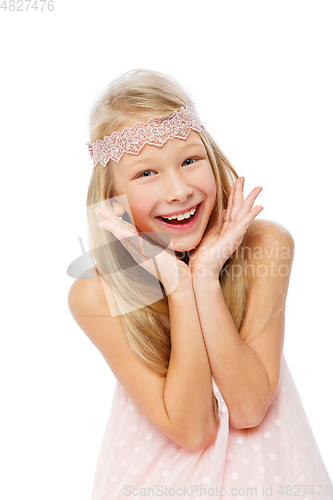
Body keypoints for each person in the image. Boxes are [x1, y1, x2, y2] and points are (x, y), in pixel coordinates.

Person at [68, 69, 332, 500]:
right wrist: (178, 286)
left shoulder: (265, 246)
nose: (179, 190)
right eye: (146, 173)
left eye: (191, 160)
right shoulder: (96, 294)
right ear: (111, 197)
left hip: (270, 481)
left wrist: (206, 277)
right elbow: (194, 430)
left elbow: (249, 408)